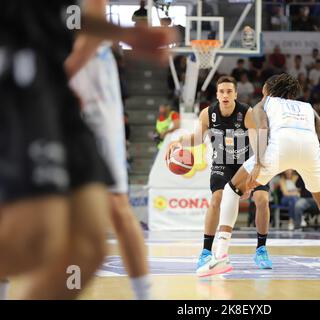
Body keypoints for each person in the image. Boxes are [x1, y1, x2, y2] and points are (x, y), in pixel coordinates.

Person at [0, 0, 176, 299]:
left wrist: (126, 33)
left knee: (89, 244)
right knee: (34, 236)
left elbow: (67, 15)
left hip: (64, 81)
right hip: (27, 70)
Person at [197, 73, 320, 282]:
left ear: (267, 89)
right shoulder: (307, 107)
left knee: (231, 190)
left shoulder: (264, 103)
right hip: (309, 151)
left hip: (280, 148)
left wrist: (259, 164)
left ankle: (220, 255)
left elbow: (262, 128)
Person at [69, 8, 152, 298]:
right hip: (37, 63)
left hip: (88, 72)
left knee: (116, 203)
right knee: (15, 205)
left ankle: (144, 294)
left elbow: (94, 24)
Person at [166, 76, 273, 273]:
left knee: (262, 199)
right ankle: (206, 251)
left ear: (235, 94)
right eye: (221, 91)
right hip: (222, 163)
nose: (225, 95)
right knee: (217, 198)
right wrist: (179, 141)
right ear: (217, 94)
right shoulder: (208, 114)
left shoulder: (246, 113)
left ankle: (261, 249)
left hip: (247, 163)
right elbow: (197, 138)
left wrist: (252, 176)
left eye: (229, 91)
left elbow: (256, 143)